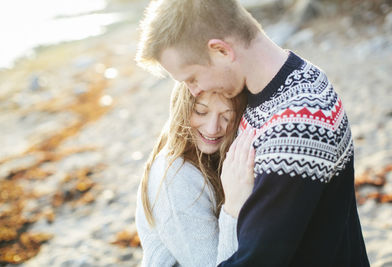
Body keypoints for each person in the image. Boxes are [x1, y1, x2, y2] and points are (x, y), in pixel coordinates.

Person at [135, 0, 370, 266]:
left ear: (221, 50)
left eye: (191, 78)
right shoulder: (296, 80)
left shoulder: (293, 126)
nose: (193, 91)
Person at [135, 82, 254, 266]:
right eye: (200, 112)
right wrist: (234, 206)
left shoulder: (211, 157)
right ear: (182, 107)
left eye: (227, 116)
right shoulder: (176, 179)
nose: (213, 128)